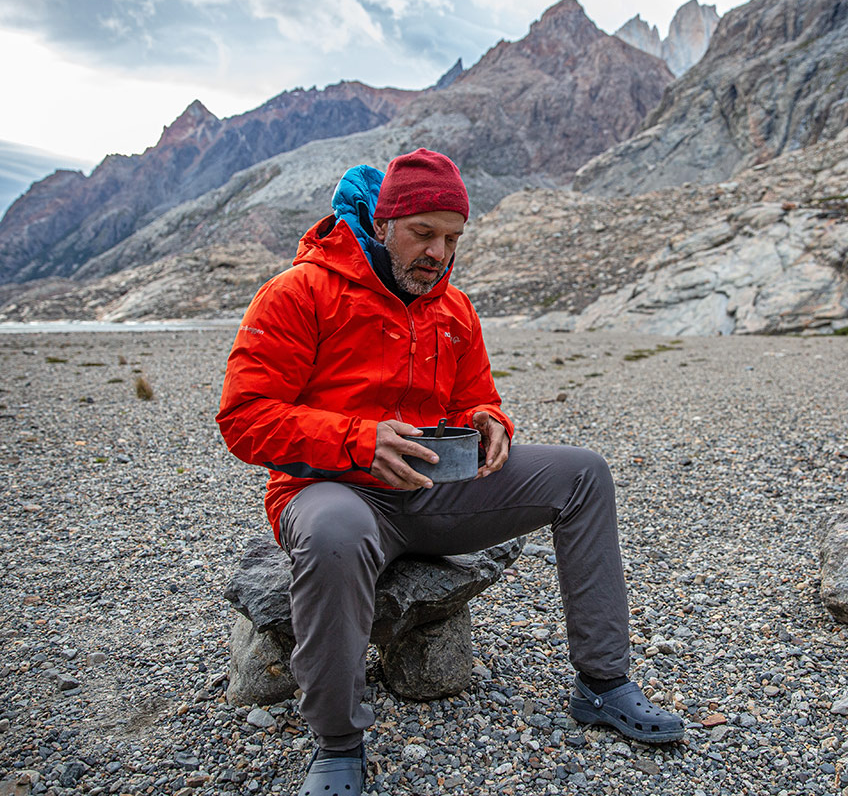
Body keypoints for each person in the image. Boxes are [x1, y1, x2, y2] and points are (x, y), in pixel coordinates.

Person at [216, 149, 683, 796]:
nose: (439, 253)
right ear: (383, 225)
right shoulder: (301, 292)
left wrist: (491, 420)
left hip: (436, 493)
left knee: (583, 476)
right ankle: (338, 743)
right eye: (424, 234)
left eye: (453, 238)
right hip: (334, 492)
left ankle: (603, 685)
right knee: (334, 534)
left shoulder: (454, 309)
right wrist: (357, 440)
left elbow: (474, 397)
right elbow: (244, 417)